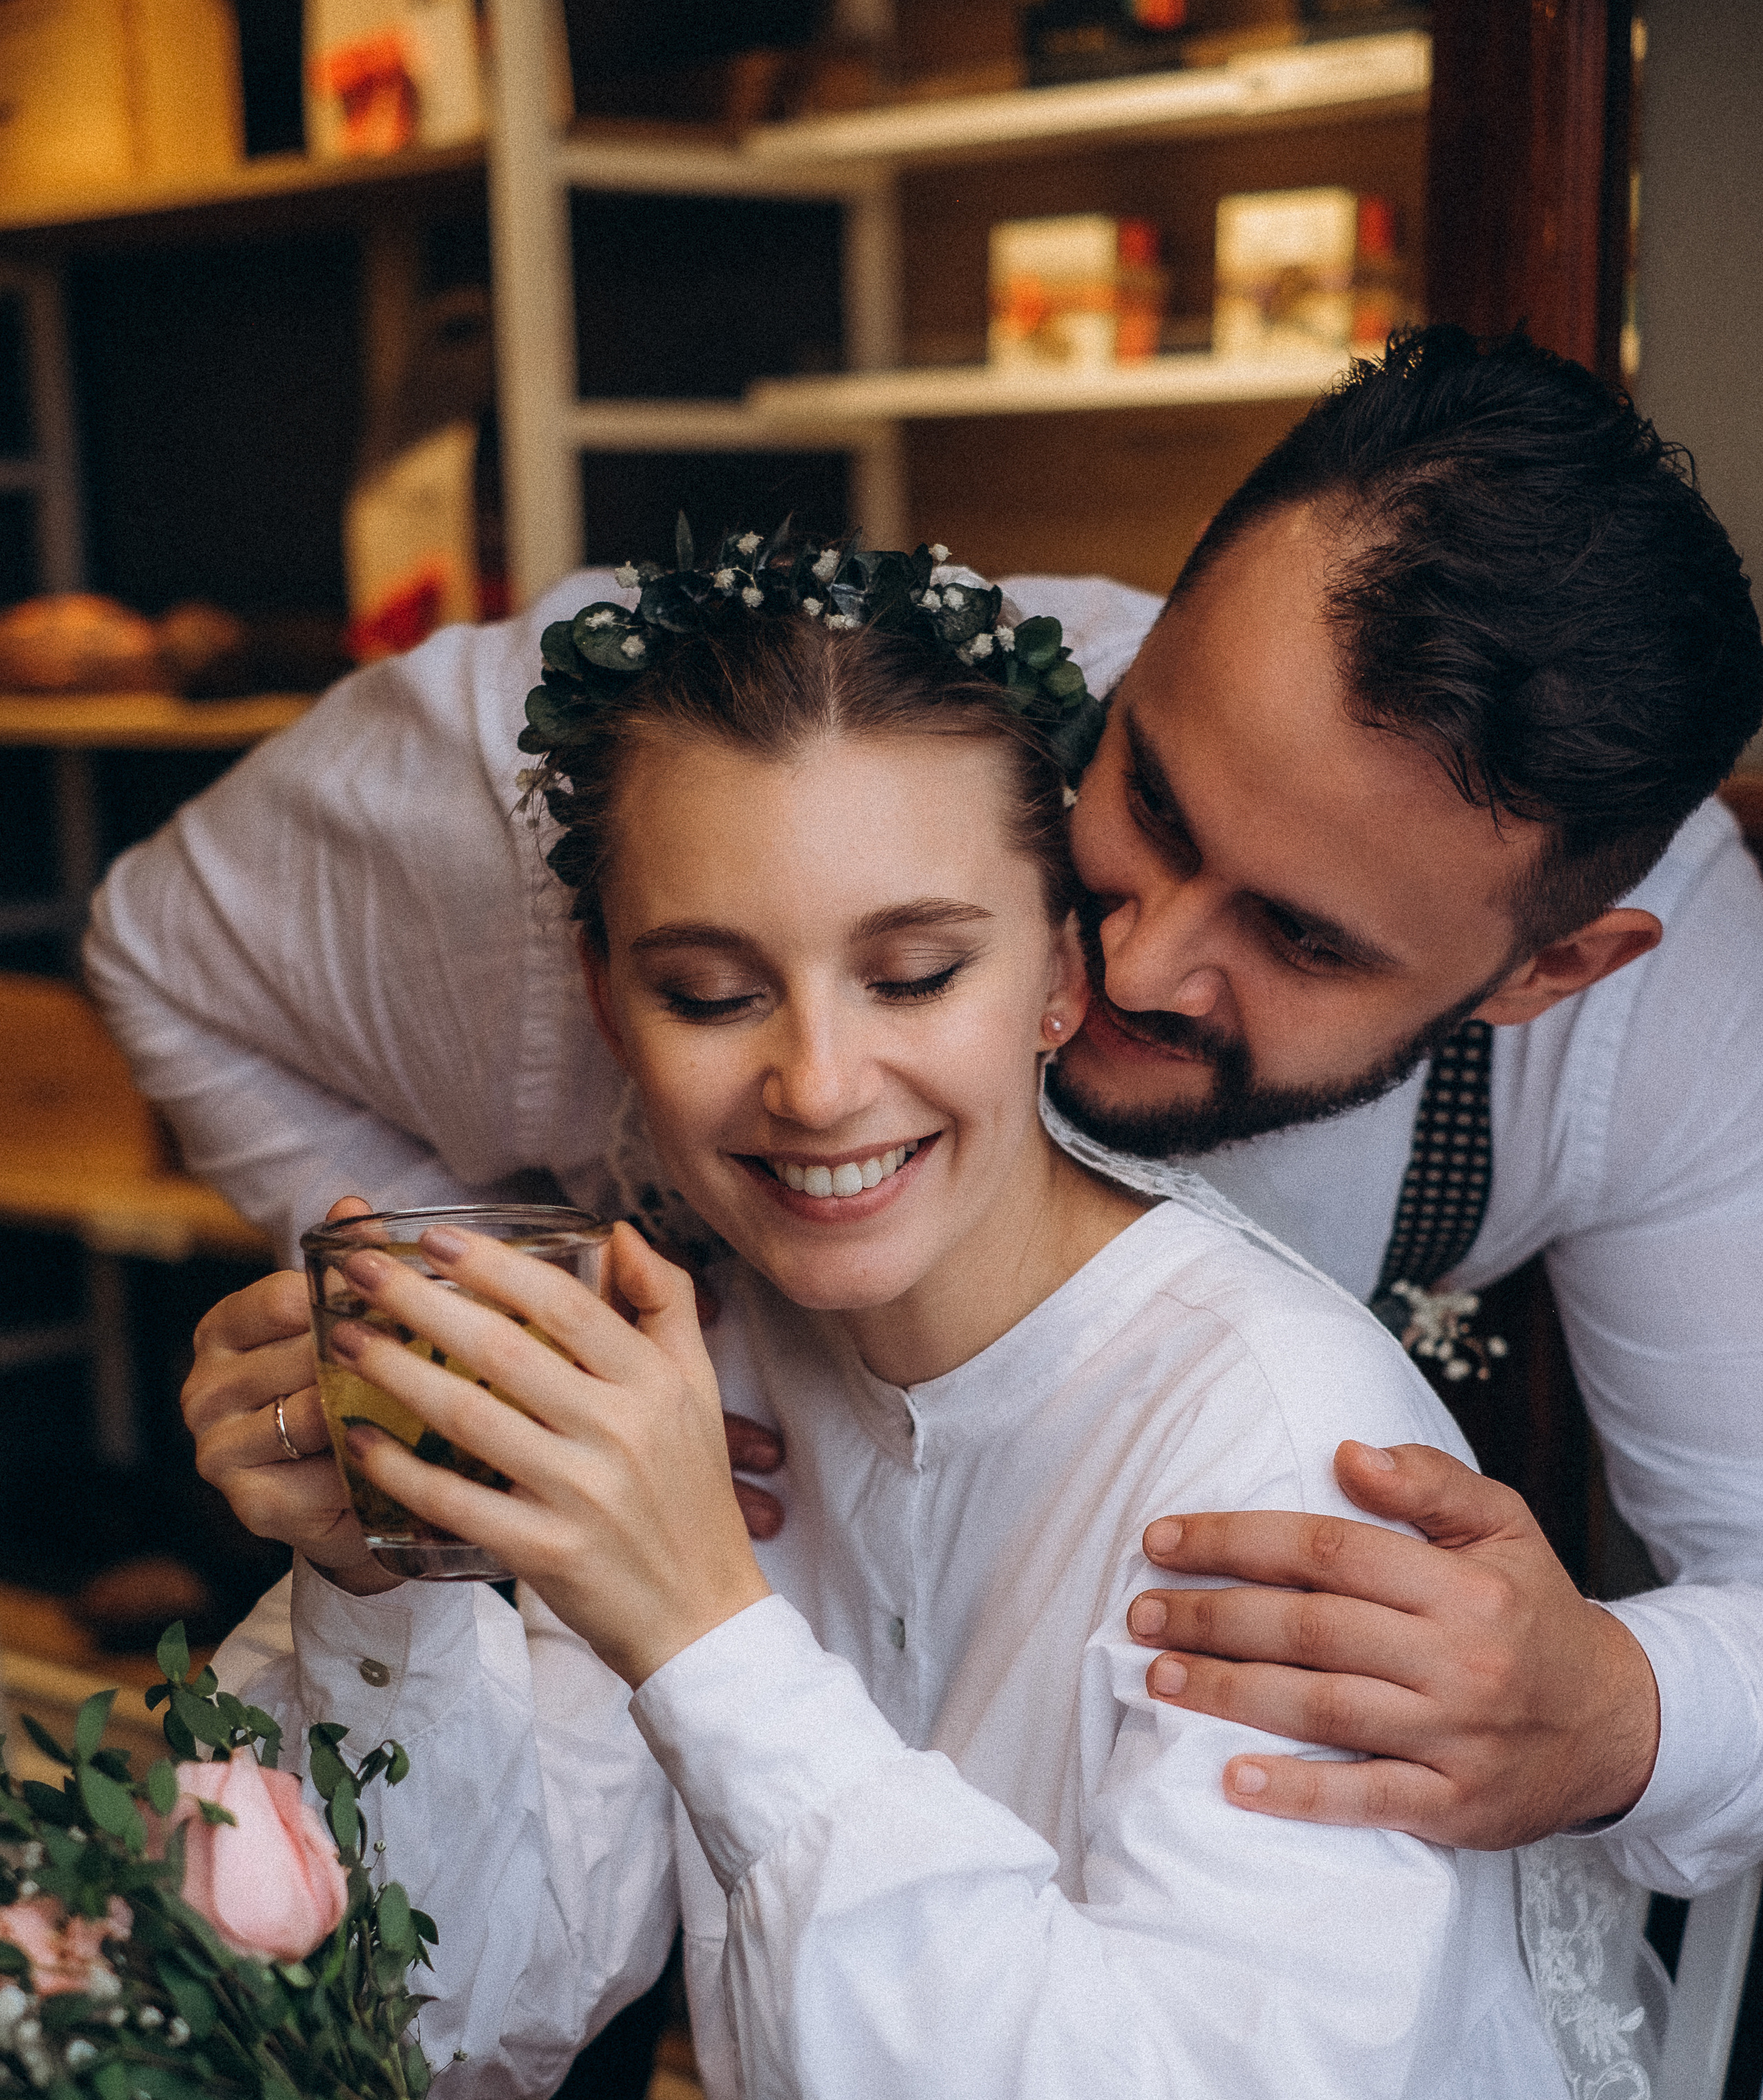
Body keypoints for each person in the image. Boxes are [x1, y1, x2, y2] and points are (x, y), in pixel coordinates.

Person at [88, 328, 1763, 1894]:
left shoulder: (1661, 1021)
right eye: (1148, 794)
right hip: (646, 1778)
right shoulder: (681, 776)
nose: (1134, 959)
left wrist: (1620, 1708)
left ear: (1546, 973)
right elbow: (171, 952)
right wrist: (517, 1340)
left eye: (1302, 939)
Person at [203, 554, 1576, 2097]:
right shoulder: (704, 1367)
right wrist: (381, 1581)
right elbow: (458, 2019)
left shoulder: (1278, 1443)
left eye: (914, 976)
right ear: (606, 1001)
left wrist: (703, 1632)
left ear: (1061, 975)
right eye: (709, 993)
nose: (818, 1084)